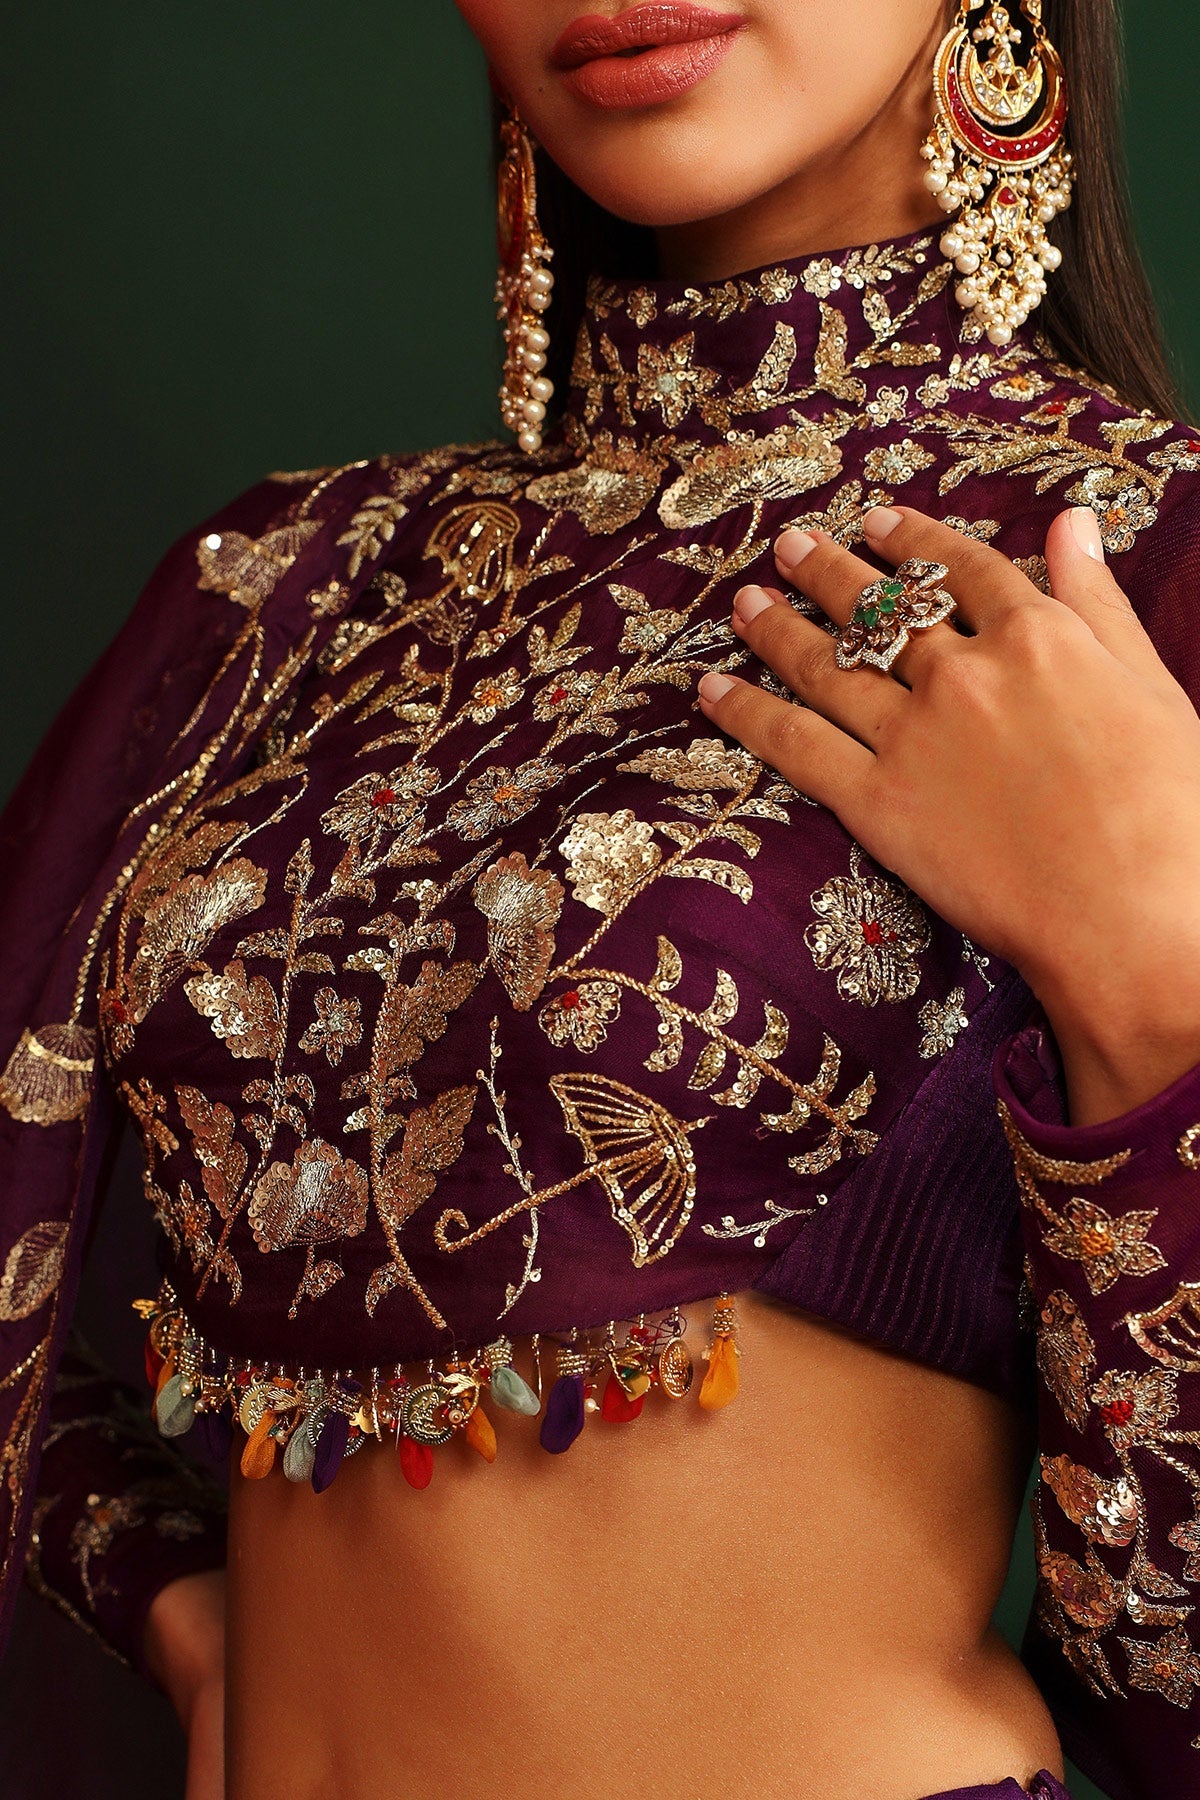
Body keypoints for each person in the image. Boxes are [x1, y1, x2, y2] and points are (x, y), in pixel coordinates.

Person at [3, 2, 1198, 1796]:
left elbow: (1176, 1690)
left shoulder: (1135, 583)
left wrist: (1160, 982)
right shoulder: (284, 595)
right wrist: (176, 1612)